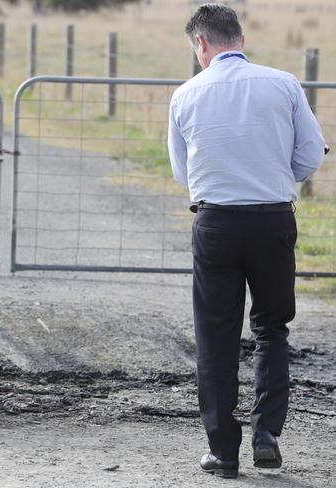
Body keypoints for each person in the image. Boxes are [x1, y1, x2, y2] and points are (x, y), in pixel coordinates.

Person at [167, 3, 326, 479]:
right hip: (273, 220)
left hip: (215, 223)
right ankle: (266, 433)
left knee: (215, 338)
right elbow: (310, 154)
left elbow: (181, 171)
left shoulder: (185, 94)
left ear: (201, 43)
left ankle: (222, 450)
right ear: (238, 36)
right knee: (272, 329)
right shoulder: (283, 83)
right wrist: (276, 177)